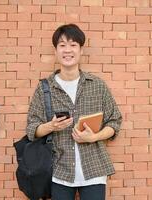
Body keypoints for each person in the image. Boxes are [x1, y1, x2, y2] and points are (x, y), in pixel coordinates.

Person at [26, 23, 122, 200]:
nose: (67, 50)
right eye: (62, 45)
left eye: (73, 45)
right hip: (59, 171)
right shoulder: (44, 88)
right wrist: (51, 126)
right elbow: (32, 129)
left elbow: (114, 122)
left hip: (94, 169)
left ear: (81, 50)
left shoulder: (97, 85)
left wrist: (93, 137)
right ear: (55, 51)